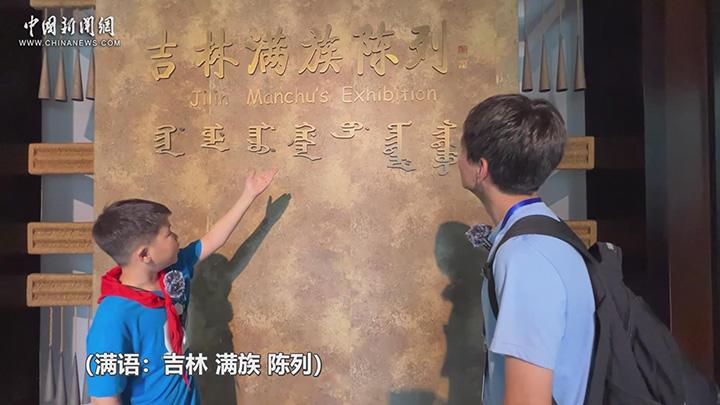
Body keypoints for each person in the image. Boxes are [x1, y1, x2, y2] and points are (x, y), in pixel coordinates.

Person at [86, 169, 277, 404]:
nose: (176, 237)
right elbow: (104, 399)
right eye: (168, 234)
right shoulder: (113, 319)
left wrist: (249, 195)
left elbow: (212, 240)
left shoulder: (172, 275)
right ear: (145, 255)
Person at [458, 94, 595, 404]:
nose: (457, 159)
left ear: (481, 167)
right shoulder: (543, 234)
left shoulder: (526, 256)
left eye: (462, 149)